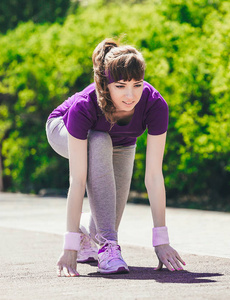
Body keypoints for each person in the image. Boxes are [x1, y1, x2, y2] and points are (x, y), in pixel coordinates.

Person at [45, 38, 186, 277]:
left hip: (121, 141)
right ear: (106, 84)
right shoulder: (84, 106)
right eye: (120, 86)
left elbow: (153, 175)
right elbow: (78, 180)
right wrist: (68, 245)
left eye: (137, 84)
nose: (130, 95)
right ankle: (108, 247)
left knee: (105, 217)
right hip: (63, 129)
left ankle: (86, 231)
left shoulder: (155, 105)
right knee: (99, 139)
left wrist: (161, 240)